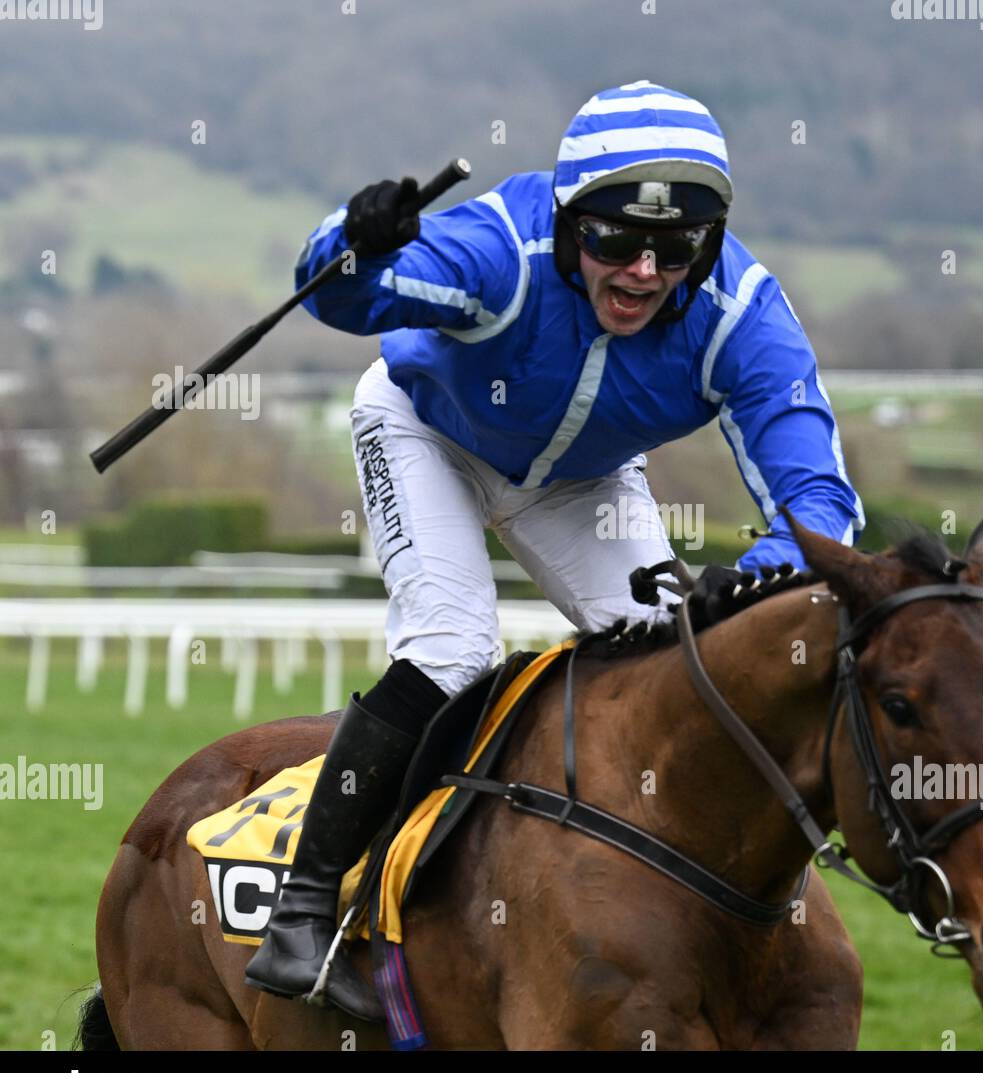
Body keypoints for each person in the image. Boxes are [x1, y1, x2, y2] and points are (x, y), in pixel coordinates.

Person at [245, 80, 864, 1021]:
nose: (644, 272)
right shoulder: (503, 246)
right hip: (426, 433)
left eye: (676, 246)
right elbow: (343, 296)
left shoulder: (741, 312)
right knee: (453, 650)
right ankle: (306, 905)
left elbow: (817, 500)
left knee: (683, 666)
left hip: (584, 480)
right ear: (570, 220)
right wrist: (350, 236)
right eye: (617, 240)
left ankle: (682, 903)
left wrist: (765, 572)